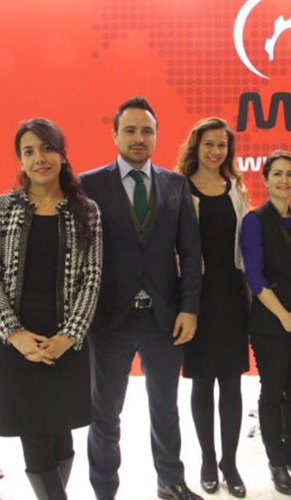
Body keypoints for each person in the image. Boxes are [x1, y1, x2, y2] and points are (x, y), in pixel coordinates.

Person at [80, 96, 204, 500]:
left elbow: (190, 253)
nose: (139, 138)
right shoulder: (89, 185)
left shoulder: (175, 184)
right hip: (108, 321)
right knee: (105, 413)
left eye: (146, 131)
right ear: (114, 134)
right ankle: (104, 490)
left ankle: (170, 481)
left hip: (163, 319)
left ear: (156, 136)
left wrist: (189, 308)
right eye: (130, 130)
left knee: (165, 408)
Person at [0, 118, 102, 500]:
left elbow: (91, 279)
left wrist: (69, 336)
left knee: (62, 434)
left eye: (47, 148)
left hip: (65, 339)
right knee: (34, 433)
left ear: (62, 154)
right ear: (20, 159)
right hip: (17, 340)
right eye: (29, 151)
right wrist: (14, 334)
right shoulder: (1, 207)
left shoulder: (86, 210)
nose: (39, 159)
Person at [240, 150, 291, 496]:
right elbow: (255, 277)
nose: (284, 180)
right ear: (265, 179)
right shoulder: (254, 220)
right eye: (277, 173)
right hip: (270, 322)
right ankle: (276, 463)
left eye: (290, 174)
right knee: (273, 391)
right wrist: (284, 316)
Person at [175, 117, 249, 498]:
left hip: (232, 295)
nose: (216, 151)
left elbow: (246, 247)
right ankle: (206, 459)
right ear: (196, 146)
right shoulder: (179, 188)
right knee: (202, 381)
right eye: (209, 144)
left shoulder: (236, 188)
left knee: (232, 382)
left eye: (222, 145)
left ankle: (229, 463)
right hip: (196, 298)